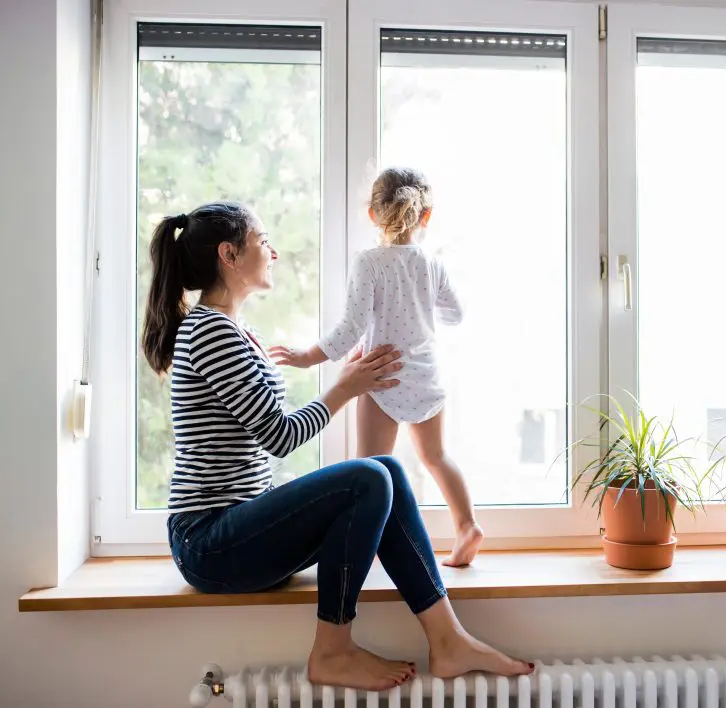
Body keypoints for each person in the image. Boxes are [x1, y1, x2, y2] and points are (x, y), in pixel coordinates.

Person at [141, 201, 532, 691]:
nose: (274, 252)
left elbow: (262, 425)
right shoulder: (211, 332)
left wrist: (347, 378)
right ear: (229, 254)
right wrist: (345, 387)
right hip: (209, 542)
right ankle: (332, 649)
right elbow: (279, 435)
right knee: (368, 476)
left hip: (238, 528)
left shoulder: (237, 331)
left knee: (384, 469)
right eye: (263, 241)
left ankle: (448, 639)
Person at [275, 168, 483, 567]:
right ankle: (467, 525)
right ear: (426, 217)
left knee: (368, 471)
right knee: (437, 457)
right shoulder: (431, 264)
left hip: (380, 376)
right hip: (426, 375)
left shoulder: (368, 263)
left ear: (372, 215)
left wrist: (306, 357)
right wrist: (421, 305)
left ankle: (364, 547)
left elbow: (351, 328)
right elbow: (456, 313)